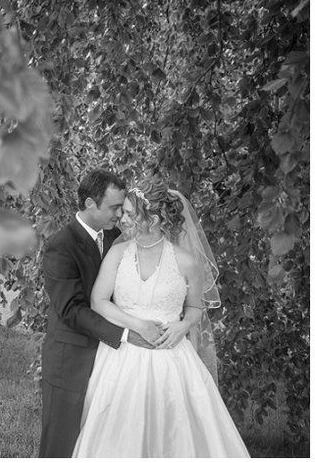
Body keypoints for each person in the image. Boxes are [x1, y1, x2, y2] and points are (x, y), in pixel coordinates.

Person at [72, 180, 250, 457]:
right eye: (123, 211)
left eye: (130, 214)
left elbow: (195, 307)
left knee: (175, 430)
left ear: (153, 220)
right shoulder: (117, 253)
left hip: (171, 357)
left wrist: (183, 325)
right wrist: (138, 325)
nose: (121, 218)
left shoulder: (186, 261)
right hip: (122, 356)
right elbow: (98, 301)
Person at [39, 169, 155, 458]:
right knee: (62, 444)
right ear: (91, 203)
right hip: (72, 361)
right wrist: (126, 334)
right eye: (114, 207)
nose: (120, 215)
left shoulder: (118, 237)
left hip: (114, 364)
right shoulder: (61, 245)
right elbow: (71, 310)